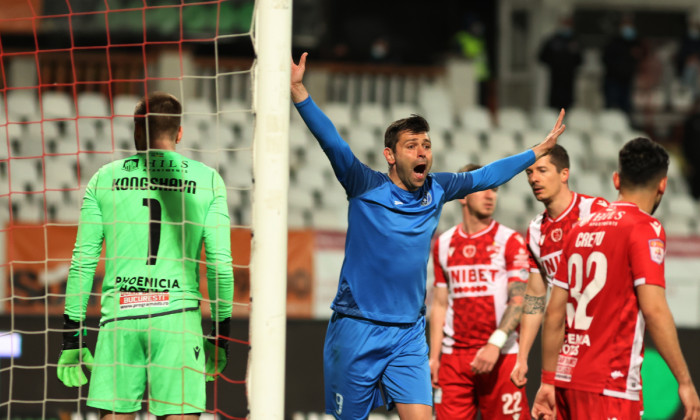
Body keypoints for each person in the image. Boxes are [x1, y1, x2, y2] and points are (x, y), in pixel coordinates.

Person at [291, 52, 566, 420]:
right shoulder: (363, 184)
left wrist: (536, 150)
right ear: (390, 155)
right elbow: (333, 143)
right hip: (356, 327)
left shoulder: (438, 188)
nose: (422, 152)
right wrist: (298, 90)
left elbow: (487, 175)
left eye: (426, 145)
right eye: (411, 146)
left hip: (407, 334)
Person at [56, 92, 234, 419]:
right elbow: (221, 267)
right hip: (177, 318)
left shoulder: (103, 179)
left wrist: (71, 336)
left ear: (137, 130)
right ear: (179, 133)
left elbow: (82, 262)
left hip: (120, 317)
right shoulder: (208, 181)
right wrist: (220, 336)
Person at [531, 137, 700, 420]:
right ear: (663, 185)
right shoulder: (645, 227)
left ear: (616, 180)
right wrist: (684, 381)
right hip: (610, 385)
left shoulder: (580, 228)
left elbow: (554, 312)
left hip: (566, 381)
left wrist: (548, 379)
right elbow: (654, 309)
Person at [429, 164, 531, 420]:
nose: (491, 196)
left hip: (501, 354)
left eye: (494, 190)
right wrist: (434, 357)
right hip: (454, 360)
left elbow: (519, 299)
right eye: (483, 189)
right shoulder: (443, 244)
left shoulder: (510, 240)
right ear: (462, 196)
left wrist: (494, 345)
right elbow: (440, 304)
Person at [510, 145, 608, 388]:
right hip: (566, 344)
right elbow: (535, 296)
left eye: (542, 170)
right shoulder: (535, 230)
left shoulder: (595, 212)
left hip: (605, 339)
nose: (534, 179)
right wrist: (522, 357)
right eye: (529, 173)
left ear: (564, 174)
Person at [602, 14, 645, 115]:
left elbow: (642, 57)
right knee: (611, 108)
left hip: (627, 80)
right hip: (613, 80)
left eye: (630, 24)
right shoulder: (614, 42)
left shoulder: (636, 42)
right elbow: (606, 59)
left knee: (626, 108)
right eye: (625, 24)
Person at [538, 15, 583, 110]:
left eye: (569, 24)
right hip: (556, 76)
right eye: (565, 23)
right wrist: (555, 64)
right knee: (555, 100)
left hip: (569, 77)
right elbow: (542, 57)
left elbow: (580, 59)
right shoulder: (552, 41)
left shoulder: (574, 41)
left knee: (568, 102)